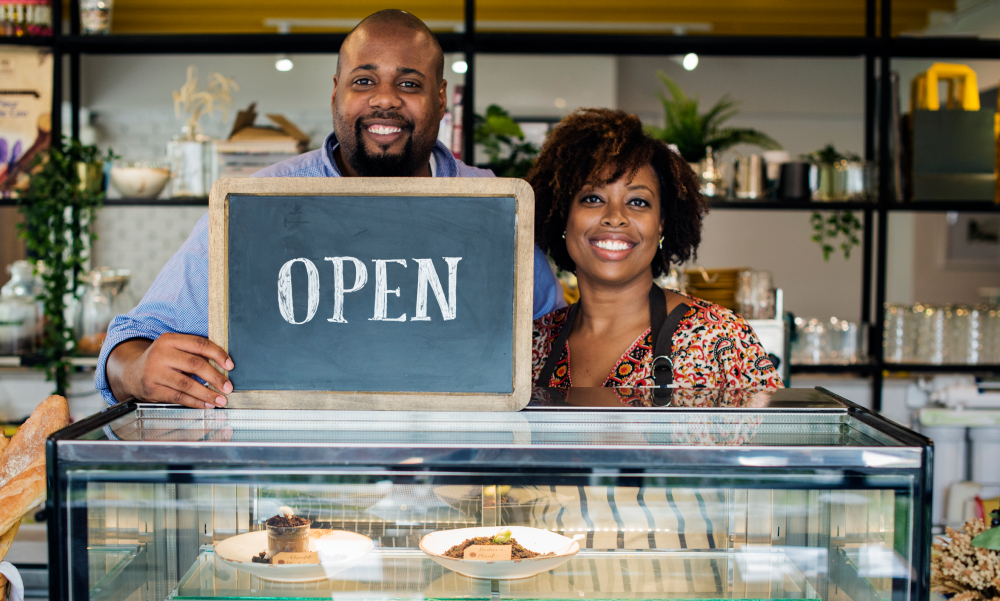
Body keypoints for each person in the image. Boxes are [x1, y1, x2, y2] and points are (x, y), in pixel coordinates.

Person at [98, 9, 564, 409]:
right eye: (364, 81)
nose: (385, 99)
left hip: (454, 489)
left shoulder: (497, 210)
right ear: (336, 91)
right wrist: (138, 369)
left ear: (440, 98)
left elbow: (555, 342)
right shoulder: (258, 204)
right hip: (292, 496)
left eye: (409, 83)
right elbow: (129, 343)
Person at [528, 108, 782, 392]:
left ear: (661, 225)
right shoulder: (534, 344)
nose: (615, 216)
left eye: (638, 202)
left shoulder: (720, 338)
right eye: (593, 198)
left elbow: (778, 435)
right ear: (563, 217)